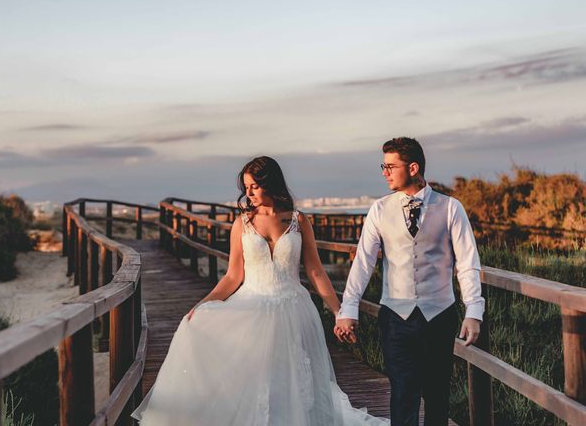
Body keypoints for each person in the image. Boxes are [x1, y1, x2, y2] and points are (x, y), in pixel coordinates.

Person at [132, 156, 389, 425]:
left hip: (294, 308)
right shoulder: (242, 223)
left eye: (254, 186)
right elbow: (233, 276)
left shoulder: (298, 220)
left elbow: (315, 271)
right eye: (246, 187)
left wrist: (339, 311)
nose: (249, 193)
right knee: (256, 378)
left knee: (292, 377)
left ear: (271, 183)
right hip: (251, 308)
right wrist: (202, 305)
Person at [335, 137, 484, 426]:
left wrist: (474, 312)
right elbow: (363, 263)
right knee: (403, 393)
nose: (384, 172)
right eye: (384, 166)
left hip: (439, 314)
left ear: (413, 167)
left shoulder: (451, 208)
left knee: (438, 394)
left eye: (390, 166)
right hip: (396, 317)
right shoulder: (379, 209)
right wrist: (348, 309)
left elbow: (467, 263)